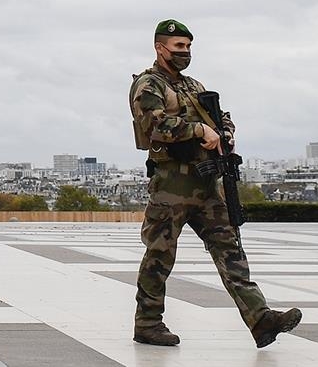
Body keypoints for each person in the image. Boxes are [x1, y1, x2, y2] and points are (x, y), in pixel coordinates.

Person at [128, 19, 301, 348]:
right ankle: (148, 323)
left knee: (230, 250)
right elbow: (154, 125)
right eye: (178, 46)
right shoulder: (149, 84)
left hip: (206, 182)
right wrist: (199, 132)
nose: (185, 52)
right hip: (171, 184)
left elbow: (220, 115)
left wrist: (225, 133)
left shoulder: (193, 86)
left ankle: (261, 319)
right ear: (159, 47)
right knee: (160, 254)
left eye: (188, 47)